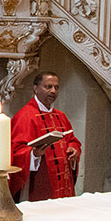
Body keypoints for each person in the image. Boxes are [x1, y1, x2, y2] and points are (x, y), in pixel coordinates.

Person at [10, 71, 81, 201]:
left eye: (56, 87)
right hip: (39, 182)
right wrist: (34, 154)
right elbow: (15, 151)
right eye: (48, 87)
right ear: (36, 88)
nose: (53, 91)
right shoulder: (25, 116)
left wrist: (73, 149)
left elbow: (73, 140)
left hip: (63, 182)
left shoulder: (60, 116)